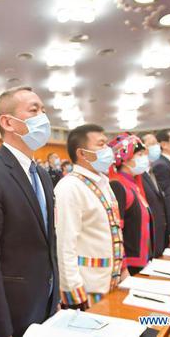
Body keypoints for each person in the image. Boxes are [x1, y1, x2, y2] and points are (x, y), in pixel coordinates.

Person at [0, 86, 59, 337]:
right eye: (34, 110)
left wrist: (55, 295)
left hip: (45, 305)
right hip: (13, 311)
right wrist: (0, 328)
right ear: (8, 122)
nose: (43, 117)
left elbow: (48, 241)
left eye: (44, 110)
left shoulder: (42, 175)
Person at [54, 124, 127, 310]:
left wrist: (122, 269)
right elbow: (64, 244)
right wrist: (73, 291)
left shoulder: (104, 183)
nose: (108, 150)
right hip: (87, 287)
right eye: (101, 144)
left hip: (111, 279)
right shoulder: (70, 187)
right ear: (83, 153)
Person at [108, 133, 152, 275]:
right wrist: (123, 266)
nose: (144, 158)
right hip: (130, 264)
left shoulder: (134, 184)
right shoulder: (118, 185)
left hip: (144, 259)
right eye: (139, 154)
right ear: (126, 159)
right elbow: (116, 230)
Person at [140, 133, 168, 257]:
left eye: (156, 143)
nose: (156, 146)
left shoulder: (151, 172)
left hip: (160, 234)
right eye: (151, 144)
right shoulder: (139, 176)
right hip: (149, 240)